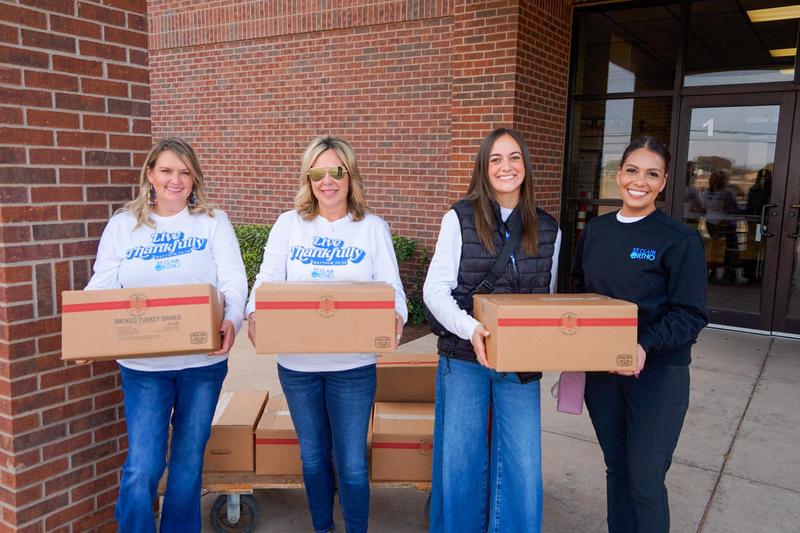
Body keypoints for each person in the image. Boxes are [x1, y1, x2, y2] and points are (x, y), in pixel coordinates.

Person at [83, 138, 248, 532]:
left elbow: (234, 280)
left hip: (202, 363)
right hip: (143, 367)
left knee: (188, 464)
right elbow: (101, 286)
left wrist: (234, 319)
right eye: (167, 171)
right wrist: (86, 331)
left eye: (184, 172)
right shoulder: (124, 225)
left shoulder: (212, 222)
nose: (176, 180)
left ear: (194, 179)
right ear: (151, 175)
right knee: (144, 466)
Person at [245, 135, 407, 533]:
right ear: (308, 178)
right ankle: (322, 528)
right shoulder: (289, 225)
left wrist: (397, 316)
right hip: (298, 366)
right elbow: (266, 278)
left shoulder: (372, 228)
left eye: (336, 171)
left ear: (350, 175)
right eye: (318, 172)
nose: (327, 181)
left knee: (351, 461)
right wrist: (253, 311)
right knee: (314, 457)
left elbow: (393, 288)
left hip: (353, 366)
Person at [423, 127, 561, 532]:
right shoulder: (459, 217)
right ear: (483, 168)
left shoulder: (548, 227)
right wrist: (471, 329)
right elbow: (434, 290)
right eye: (496, 158)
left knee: (522, 465)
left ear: (526, 166)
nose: (506, 166)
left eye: (514, 157)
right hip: (464, 357)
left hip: (520, 365)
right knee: (461, 461)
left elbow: (547, 298)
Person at [573, 136, 708, 533]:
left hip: (658, 375)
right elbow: (583, 291)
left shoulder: (677, 239)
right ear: (619, 175)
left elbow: (691, 313)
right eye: (632, 170)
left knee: (646, 480)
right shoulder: (596, 231)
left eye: (652, 174)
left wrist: (644, 344)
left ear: (663, 182)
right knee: (617, 470)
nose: (640, 181)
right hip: (602, 373)